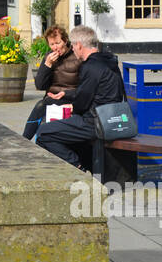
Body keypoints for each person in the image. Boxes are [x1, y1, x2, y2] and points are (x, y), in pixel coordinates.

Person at [36, 25, 126, 170]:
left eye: (72, 45)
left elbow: (81, 104)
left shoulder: (90, 66)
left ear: (78, 45)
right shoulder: (109, 61)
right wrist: (68, 96)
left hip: (95, 122)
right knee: (60, 126)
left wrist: (69, 109)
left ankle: (78, 166)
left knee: (43, 133)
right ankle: (85, 164)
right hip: (111, 117)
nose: (72, 48)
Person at [22, 25, 80, 140]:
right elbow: (39, 85)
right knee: (41, 105)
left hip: (70, 98)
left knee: (41, 107)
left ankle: (24, 140)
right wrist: (47, 65)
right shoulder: (48, 57)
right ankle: (24, 140)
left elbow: (85, 86)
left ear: (65, 40)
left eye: (58, 43)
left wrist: (67, 94)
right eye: (52, 44)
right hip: (50, 98)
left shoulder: (77, 56)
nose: (55, 48)